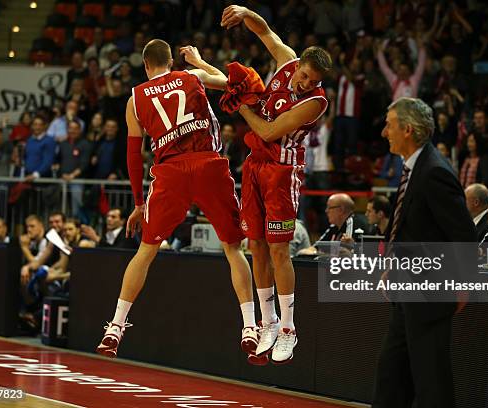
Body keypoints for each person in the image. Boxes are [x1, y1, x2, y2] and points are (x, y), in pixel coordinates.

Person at [96, 40, 256, 364]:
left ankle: (115, 326)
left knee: (145, 252)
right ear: (171, 61)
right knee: (233, 248)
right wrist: (201, 60)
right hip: (209, 163)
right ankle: (250, 326)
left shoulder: (135, 98)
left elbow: (132, 155)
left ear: (145, 65)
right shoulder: (192, 76)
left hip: (170, 173)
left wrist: (140, 203)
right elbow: (232, 84)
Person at [221, 4, 332, 364]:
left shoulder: (315, 103)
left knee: (279, 250)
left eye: (311, 81)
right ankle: (267, 322)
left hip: (283, 173)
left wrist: (240, 106)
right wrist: (245, 11)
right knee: (256, 244)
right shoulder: (286, 61)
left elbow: (267, 130)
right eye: (303, 76)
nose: (304, 83)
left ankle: (288, 329)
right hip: (255, 165)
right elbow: (265, 32)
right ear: (298, 65)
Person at [374, 97, 476, 408]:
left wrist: (463, 285)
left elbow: (464, 234)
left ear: (407, 129)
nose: (383, 132)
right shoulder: (412, 168)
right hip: (407, 290)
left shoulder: (434, 172)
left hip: (431, 292)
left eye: (389, 125)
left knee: (431, 379)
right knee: (392, 373)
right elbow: (411, 227)